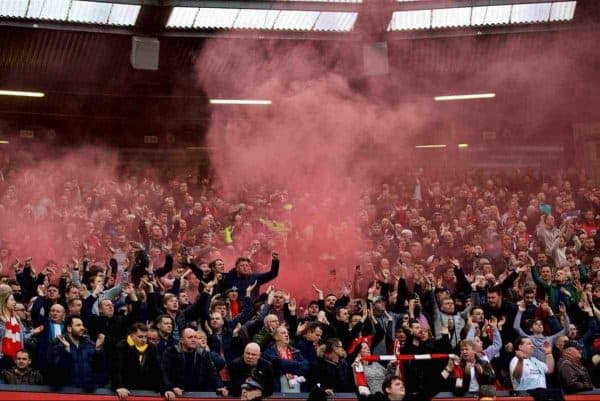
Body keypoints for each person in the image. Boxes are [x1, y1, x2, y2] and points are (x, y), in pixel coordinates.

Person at [160, 328, 228, 398]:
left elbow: (212, 372)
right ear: (182, 340)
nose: (193, 340)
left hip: (197, 393)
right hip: (177, 393)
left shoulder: (203, 353)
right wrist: (170, 388)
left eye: (195, 337)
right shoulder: (171, 352)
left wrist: (219, 386)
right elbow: (165, 373)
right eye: (190, 337)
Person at [47, 316, 105, 390]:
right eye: (78, 325)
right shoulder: (57, 344)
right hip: (66, 392)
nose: (82, 328)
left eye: (82, 325)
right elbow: (55, 373)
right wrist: (67, 351)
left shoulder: (90, 344)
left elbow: (100, 369)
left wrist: (98, 349)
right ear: (69, 328)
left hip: (87, 392)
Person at [112, 323, 165, 400]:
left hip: (147, 391)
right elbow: (116, 369)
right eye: (140, 337)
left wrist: (166, 389)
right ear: (132, 336)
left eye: (145, 337)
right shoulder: (122, 347)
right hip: (127, 390)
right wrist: (119, 386)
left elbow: (159, 370)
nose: (144, 340)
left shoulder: (152, 348)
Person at [263, 325, 309, 393]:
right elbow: (278, 364)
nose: (287, 335)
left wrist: (286, 367)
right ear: (276, 337)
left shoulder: (295, 351)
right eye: (283, 333)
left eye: (287, 333)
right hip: (277, 392)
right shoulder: (269, 352)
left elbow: (306, 366)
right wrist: (296, 365)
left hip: (297, 391)